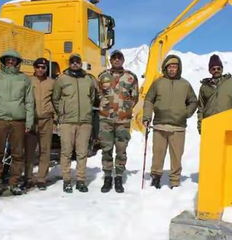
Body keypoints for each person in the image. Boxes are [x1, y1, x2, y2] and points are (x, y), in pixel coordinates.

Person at [0, 50, 34, 196]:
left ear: (18, 62)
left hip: (18, 120)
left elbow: (29, 102)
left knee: (18, 154)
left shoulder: (24, 79)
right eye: (8, 59)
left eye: (14, 60)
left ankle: (14, 182)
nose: (11, 62)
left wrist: (29, 121)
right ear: (4, 61)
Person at [143, 54, 197, 189]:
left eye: (175, 67)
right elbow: (149, 100)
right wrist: (147, 117)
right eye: (170, 67)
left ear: (178, 68)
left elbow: (193, 101)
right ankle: (155, 177)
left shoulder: (185, 84)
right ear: (165, 68)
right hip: (160, 125)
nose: (172, 69)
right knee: (158, 154)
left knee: (176, 156)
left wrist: (185, 113)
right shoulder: (158, 83)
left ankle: (174, 181)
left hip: (178, 127)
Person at [52, 54, 96, 193]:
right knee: (66, 152)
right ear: (69, 63)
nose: (75, 64)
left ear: (80, 63)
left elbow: (93, 97)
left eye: (78, 62)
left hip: (85, 122)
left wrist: (87, 110)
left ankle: (81, 180)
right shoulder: (62, 79)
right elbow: (56, 98)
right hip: (67, 122)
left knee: (82, 152)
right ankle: (67, 180)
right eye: (73, 62)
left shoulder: (88, 79)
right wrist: (62, 112)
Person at [98, 50, 139, 193]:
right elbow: (98, 95)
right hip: (106, 120)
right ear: (110, 60)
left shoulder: (130, 77)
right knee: (106, 149)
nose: (116, 60)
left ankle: (119, 177)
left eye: (119, 58)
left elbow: (135, 97)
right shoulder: (103, 76)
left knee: (121, 150)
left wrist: (124, 110)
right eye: (114, 58)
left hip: (122, 120)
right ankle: (108, 177)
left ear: (123, 60)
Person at [24, 58, 55, 190]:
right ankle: (28, 177)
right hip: (31, 120)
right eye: (38, 67)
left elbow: (56, 99)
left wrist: (55, 115)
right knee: (29, 151)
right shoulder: (28, 81)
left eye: (43, 67)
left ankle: (42, 178)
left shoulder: (52, 83)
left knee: (45, 150)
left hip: (46, 120)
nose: (41, 70)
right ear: (34, 68)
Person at [197, 54, 232, 134]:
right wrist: (200, 126)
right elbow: (200, 108)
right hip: (210, 125)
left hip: (228, 125)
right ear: (210, 70)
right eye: (213, 69)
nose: (216, 70)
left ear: (222, 69)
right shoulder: (204, 87)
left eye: (218, 68)